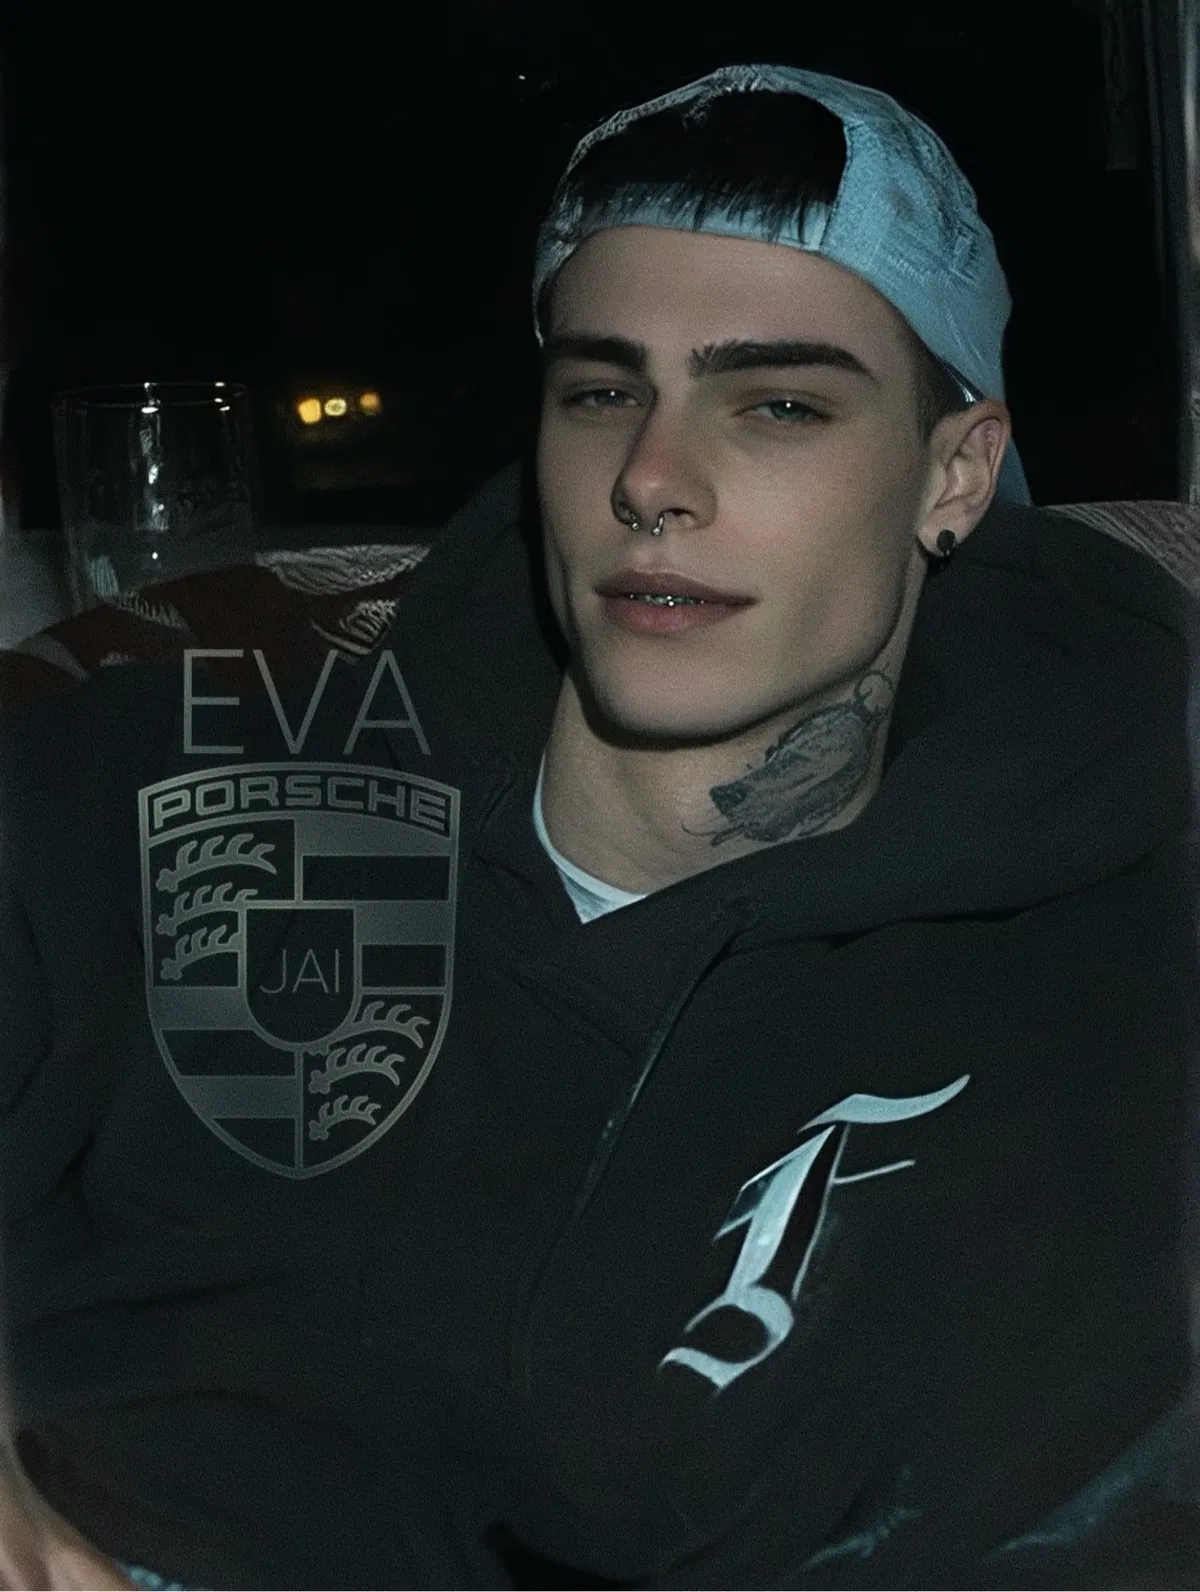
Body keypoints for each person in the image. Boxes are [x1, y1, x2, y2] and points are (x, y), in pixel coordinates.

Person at [0, 62, 1197, 1590]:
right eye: (604, 392)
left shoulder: (1117, 991)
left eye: (777, 404)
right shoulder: (165, 785)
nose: (652, 480)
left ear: (954, 473)